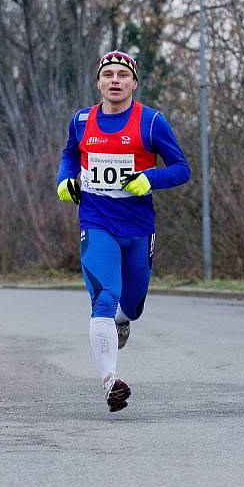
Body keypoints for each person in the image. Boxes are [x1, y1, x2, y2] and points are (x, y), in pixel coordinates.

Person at [56, 50, 190, 412]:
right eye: (108, 74)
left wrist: (149, 178)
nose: (115, 80)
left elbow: (181, 169)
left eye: (122, 75)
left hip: (138, 227)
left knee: (132, 303)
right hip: (96, 220)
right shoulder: (82, 120)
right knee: (104, 296)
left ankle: (123, 319)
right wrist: (65, 180)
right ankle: (111, 381)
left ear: (134, 83)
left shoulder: (151, 122)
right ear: (98, 82)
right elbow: (70, 154)